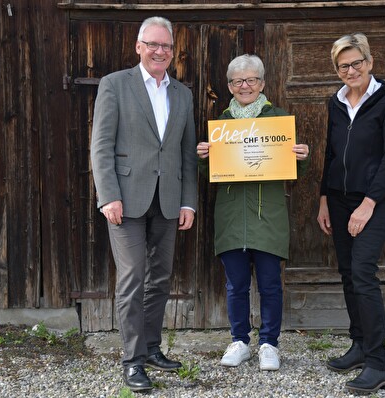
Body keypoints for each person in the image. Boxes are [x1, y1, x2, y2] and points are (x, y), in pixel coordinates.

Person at [90, 16, 197, 392]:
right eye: (152, 44)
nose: (159, 51)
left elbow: (186, 155)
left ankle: (152, 348)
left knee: (162, 278)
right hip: (126, 200)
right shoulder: (115, 85)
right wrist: (108, 196)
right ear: (139, 47)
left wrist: (189, 203)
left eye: (166, 46)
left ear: (172, 50)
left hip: (167, 201)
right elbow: (100, 146)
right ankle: (133, 361)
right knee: (133, 277)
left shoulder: (182, 94)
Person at [196, 54, 310, 372]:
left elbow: (294, 168)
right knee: (236, 284)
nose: (244, 86)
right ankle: (240, 341)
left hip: (267, 215)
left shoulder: (279, 120)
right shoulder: (220, 125)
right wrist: (203, 157)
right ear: (230, 86)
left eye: (251, 80)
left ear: (262, 82)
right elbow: (207, 174)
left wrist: (302, 156)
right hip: (232, 216)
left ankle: (269, 344)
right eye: (237, 81)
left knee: (271, 284)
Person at [317, 33, 385, 394]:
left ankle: (378, 363)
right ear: (337, 70)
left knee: (362, 271)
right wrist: (324, 197)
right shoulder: (336, 102)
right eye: (344, 65)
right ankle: (358, 345)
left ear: (370, 62)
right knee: (347, 273)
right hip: (338, 200)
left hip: (375, 199)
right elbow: (330, 153)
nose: (351, 70)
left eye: (357, 63)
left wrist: (368, 203)